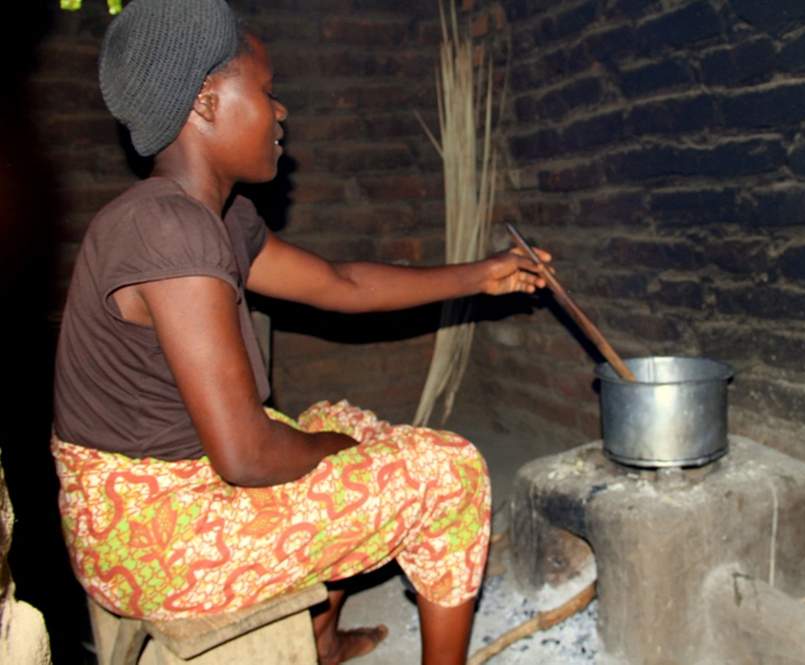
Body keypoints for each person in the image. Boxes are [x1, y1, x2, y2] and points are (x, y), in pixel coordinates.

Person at [49, 1, 549, 663]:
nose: (281, 110)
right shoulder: (169, 232)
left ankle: (321, 637)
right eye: (267, 90)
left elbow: (340, 283)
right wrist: (335, 449)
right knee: (448, 472)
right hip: (155, 539)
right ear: (204, 104)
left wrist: (481, 275)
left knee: (337, 419)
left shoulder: (214, 218)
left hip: (170, 495)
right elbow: (246, 455)